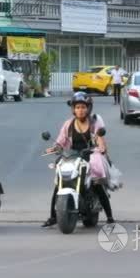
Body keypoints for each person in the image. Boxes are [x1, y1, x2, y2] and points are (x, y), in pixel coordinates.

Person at [42, 92, 115, 227]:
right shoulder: (68, 124)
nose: (80, 110)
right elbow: (60, 141)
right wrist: (55, 147)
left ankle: (109, 215)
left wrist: (101, 147)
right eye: (77, 107)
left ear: (88, 108)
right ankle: (53, 216)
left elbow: (100, 139)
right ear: (73, 109)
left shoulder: (94, 123)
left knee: (96, 182)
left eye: (83, 107)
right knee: (59, 182)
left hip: (91, 154)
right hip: (73, 155)